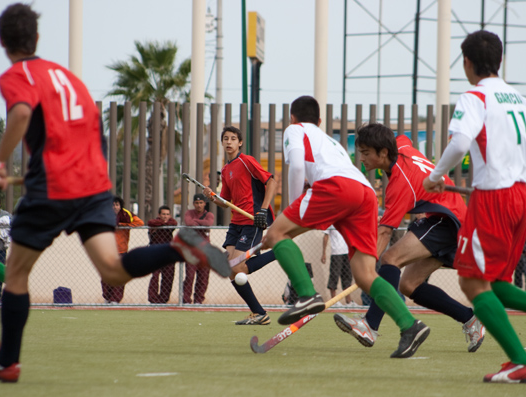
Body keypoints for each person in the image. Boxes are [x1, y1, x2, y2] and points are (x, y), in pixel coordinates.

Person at [0, 3, 229, 383]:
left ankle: (8, 361)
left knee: (16, 278)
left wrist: (1, 164)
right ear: (37, 37)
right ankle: (181, 248)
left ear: (2, 42)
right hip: (93, 187)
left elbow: (19, 114)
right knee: (113, 271)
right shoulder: (67, 78)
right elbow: (92, 134)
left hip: (52, 188)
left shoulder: (17, 75)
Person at [422, 30, 526, 383]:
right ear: (500, 60)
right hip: (521, 196)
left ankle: (522, 361)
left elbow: (459, 144)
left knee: (472, 282)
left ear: (467, 63)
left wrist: (436, 176)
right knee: (498, 282)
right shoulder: (518, 98)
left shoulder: (474, 96)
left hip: (494, 199)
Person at [262, 95, 430, 359]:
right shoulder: (329, 142)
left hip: (336, 187)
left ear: (293, 118)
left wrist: (289, 213)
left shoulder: (294, 130)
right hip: (364, 194)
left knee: (275, 233)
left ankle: (307, 295)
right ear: (319, 120)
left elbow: (295, 165)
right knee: (365, 275)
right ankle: (410, 325)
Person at [334, 123, 485, 352]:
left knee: (390, 258)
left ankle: (369, 325)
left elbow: (385, 232)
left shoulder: (399, 185)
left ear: (383, 153)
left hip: (447, 220)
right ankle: (469, 318)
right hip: (452, 219)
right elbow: (404, 138)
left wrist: (366, 268)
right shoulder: (400, 146)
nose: (361, 158)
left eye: (365, 153)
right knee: (408, 284)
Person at [202, 126, 277, 325]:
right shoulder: (226, 170)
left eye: (233, 138)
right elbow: (225, 201)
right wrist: (212, 197)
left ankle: (278, 251)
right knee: (230, 269)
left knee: (238, 266)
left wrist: (263, 210)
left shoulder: (247, 161)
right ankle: (259, 313)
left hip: (252, 221)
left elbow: (271, 182)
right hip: (236, 223)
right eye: (225, 138)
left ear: (240, 142)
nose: (229, 142)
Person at [100, 197, 144, 304]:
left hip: (121, 250)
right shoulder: (104, 214)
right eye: (113, 205)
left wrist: (122, 225)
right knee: (106, 274)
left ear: (120, 206)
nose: (115, 207)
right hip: (107, 250)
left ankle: (115, 299)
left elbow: (140, 223)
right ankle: (107, 297)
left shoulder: (126, 214)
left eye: (117, 205)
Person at [183, 194, 214, 304]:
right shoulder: (189, 213)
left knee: (203, 278)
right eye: (197, 203)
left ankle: (198, 301)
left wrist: (196, 222)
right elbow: (188, 223)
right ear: (193, 204)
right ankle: (186, 301)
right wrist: (200, 223)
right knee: (190, 276)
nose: (199, 205)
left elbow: (208, 223)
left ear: (205, 203)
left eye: (201, 202)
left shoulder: (209, 214)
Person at [147, 205, 178, 304]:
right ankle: (153, 299)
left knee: (168, 276)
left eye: (167, 214)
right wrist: (163, 223)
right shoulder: (154, 222)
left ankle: (163, 300)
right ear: (159, 215)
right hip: (155, 253)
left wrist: (164, 224)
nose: (165, 216)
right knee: (155, 276)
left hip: (168, 253)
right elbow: (150, 222)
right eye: (163, 214)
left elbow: (174, 223)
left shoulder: (171, 223)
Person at [321, 225, 355, 306]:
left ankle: (348, 301)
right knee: (334, 275)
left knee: (347, 276)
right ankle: (334, 301)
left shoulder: (346, 218)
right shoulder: (331, 220)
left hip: (347, 252)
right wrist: (324, 253)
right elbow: (326, 236)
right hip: (336, 252)